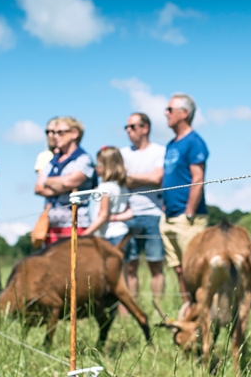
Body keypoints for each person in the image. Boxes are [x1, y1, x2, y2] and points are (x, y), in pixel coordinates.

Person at [160, 93, 209, 306]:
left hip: (187, 218)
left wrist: (188, 212)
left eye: (170, 110)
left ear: (184, 113)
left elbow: (198, 178)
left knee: (193, 270)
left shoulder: (195, 142)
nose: (166, 113)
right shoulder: (171, 144)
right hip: (168, 216)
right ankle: (188, 312)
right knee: (179, 270)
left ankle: (202, 315)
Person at [120, 112, 167, 303]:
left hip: (153, 214)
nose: (128, 131)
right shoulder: (123, 153)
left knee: (155, 264)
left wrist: (131, 178)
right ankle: (130, 311)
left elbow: (157, 179)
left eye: (132, 127)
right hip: (128, 215)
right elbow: (121, 180)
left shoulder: (159, 151)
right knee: (129, 266)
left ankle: (159, 310)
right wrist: (142, 179)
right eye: (127, 127)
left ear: (145, 128)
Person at [34, 116, 94, 246]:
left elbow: (70, 182)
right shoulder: (52, 161)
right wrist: (60, 184)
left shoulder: (83, 159)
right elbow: (38, 188)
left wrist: (47, 182)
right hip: (51, 226)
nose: (55, 136)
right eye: (54, 133)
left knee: (74, 265)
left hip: (75, 224)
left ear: (74, 133)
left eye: (60, 132)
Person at [86, 146, 131, 245]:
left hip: (109, 235)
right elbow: (129, 212)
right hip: (122, 233)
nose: (95, 167)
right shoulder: (122, 186)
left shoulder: (104, 187)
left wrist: (85, 234)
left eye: (97, 163)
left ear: (105, 165)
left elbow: (103, 215)